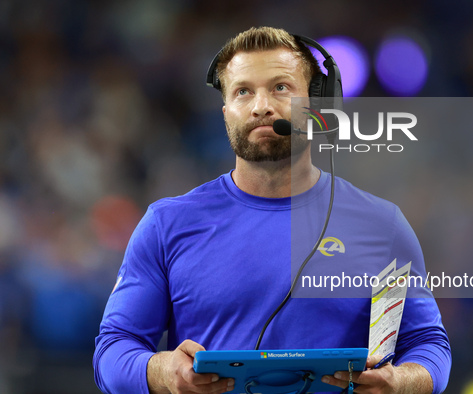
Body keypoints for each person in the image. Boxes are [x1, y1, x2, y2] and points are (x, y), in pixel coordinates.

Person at [93, 26, 451, 394]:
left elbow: (428, 345)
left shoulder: (382, 226)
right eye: (243, 91)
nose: (261, 105)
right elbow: (113, 351)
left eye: (280, 87)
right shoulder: (166, 225)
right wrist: (163, 370)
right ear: (226, 112)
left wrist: (402, 382)